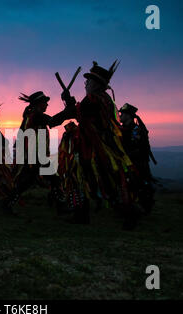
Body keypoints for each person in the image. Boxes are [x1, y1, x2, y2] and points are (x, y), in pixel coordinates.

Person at [49, 61, 138, 229]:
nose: (86, 84)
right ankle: (84, 214)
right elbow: (80, 111)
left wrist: (57, 117)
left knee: (87, 178)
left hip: (94, 149)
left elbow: (77, 112)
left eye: (88, 82)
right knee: (93, 179)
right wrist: (69, 102)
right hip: (97, 147)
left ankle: (126, 215)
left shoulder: (94, 99)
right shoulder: (103, 99)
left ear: (96, 84)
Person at [4, 91, 66, 215]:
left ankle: (7, 204)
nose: (47, 105)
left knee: (28, 182)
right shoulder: (37, 116)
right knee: (53, 179)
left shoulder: (31, 116)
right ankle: (61, 206)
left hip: (35, 156)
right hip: (36, 156)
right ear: (39, 104)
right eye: (45, 102)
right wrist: (68, 108)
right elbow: (54, 121)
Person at [119, 103, 157, 214]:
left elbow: (138, 148)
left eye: (122, 114)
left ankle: (143, 207)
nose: (120, 116)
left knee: (139, 186)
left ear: (129, 116)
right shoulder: (122, 129)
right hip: (128, 162)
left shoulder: (136, 130)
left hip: (137, 164)